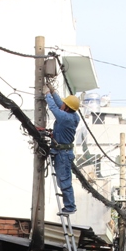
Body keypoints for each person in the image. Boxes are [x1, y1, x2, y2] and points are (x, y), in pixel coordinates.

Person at [44, 82, 81, 214]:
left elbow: (54, 108)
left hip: (63, 154)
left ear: (67, 108)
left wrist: (47, 94)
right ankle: (69, 205)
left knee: (64, 181)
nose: (63, 105)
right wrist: (53, 92)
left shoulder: (65, 117)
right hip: (63, 151)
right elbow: (61, 105)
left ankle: (70, 207)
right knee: (62, 180)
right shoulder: (73, 116)